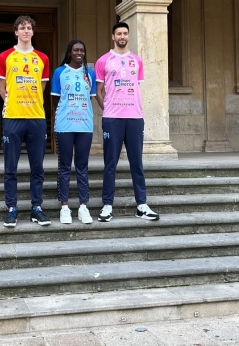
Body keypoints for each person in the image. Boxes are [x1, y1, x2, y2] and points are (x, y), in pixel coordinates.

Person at [94, 22, 159, 222]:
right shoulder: (103, 60)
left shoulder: (136, 61)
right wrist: (109, 109)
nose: (122, 36)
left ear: (128, 36)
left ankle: (141, 205)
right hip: (112, 118)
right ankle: (107, 205)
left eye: (125, 33)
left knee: (136, 163)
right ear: (113, 36)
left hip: (134, 117)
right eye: (118, 33)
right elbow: (98, 91)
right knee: (110, 163)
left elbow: (136, 87)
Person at [0, 15, 50, 228]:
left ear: (33, 32)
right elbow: (2, 88)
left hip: (36, 118)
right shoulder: (5, 56)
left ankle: (37, 208)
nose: (26, 31)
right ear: (16, 32)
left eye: (29, 28)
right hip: (13, 117)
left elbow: (42, 89)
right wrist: (14, 103)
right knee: (11, 167)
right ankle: (12, 208)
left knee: (37, 167)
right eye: (22, 28)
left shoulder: (42, 58)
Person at [51, 40, 97, 224]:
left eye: (82, 50)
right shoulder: (60, 72)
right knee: (64, 166)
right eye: (76, 50)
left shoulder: (90, 74)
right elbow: (55, 100)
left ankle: (83, 206)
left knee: (82, 166)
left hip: (84, 126)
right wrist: (66, 114)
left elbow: (90, 98)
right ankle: (64, 207)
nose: (79, 53)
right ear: (70, 52)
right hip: (64, 126)